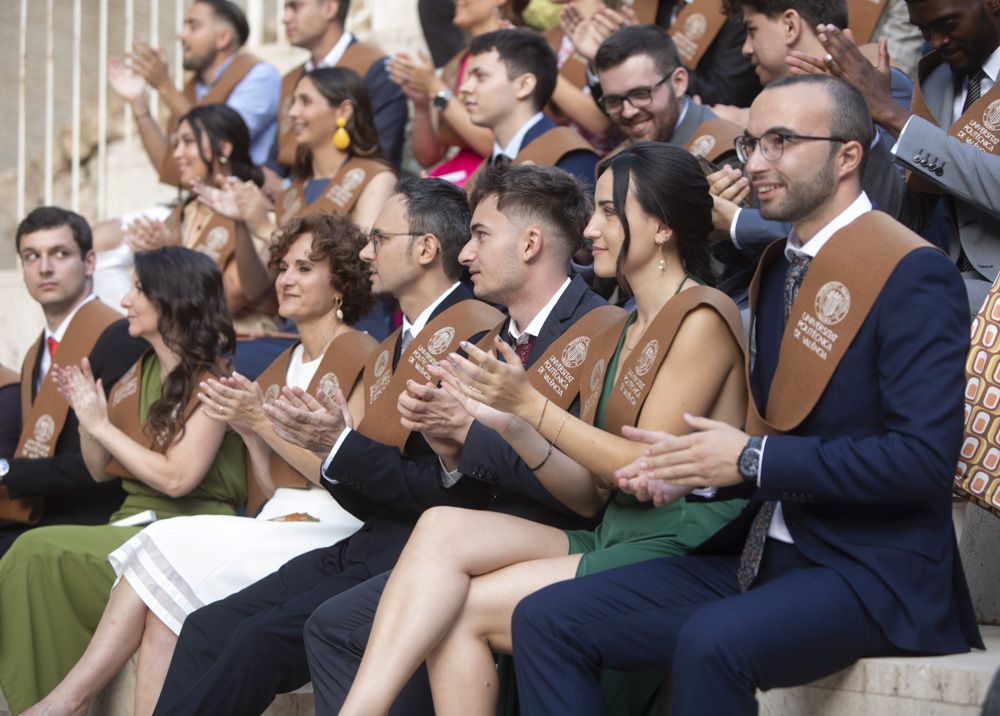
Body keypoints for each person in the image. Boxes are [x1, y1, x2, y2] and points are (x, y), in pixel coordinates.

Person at [509, 75, 983, 716]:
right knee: (544, 619)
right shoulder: (777, 266)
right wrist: (693, 474)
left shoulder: (913, 270)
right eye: (752, 144)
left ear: (848, 155)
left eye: (781, 143)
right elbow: (774, 437)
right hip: (763, 555)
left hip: (871, 572)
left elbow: (920, 461)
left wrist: (750, 461)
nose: (755, 162)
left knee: (711, 644)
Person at [322, 144, 747, 716]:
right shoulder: (624, 329)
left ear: (664, 227)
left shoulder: (702, 314)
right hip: (614, 532)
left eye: (610, 212)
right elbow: (590, 491)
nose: (591, 228)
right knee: (443, 527)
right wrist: (508, 423)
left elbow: (643, 470)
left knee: (462, 611)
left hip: (675, 544)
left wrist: (529, 408)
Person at [148, 178, 504, 716]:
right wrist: (332, 447)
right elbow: (372, 485)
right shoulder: (394, 346)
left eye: (379, 238)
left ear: (426, 249)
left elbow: (448, 494)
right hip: (370, 538)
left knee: (257, 641)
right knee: (206, 626)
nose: (366, 253)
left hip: (418, 553)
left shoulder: (474, 337)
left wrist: (336, 445)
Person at [21, 214, 376, 716]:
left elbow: (354, 475)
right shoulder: (285, 362)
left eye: (304, 268)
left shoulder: (360, 352)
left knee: (158, 543)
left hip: (332, 526)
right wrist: (252, 433)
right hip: (281, 518)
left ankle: (68, 700)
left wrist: (260, 422)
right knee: (166, 612)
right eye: (283, 267)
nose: (285, 279)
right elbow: (272, 487)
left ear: (339, 283)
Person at [0, 247, 247, 715]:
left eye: (137, 289)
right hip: (131, 521)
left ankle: (58, 703)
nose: (127, 300)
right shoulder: (139, 370)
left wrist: (101, 427)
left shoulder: (215, 380)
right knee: (30, 557)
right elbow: (99, 469)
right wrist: (87, 417)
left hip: (187, 532)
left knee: (35, 552)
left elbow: (177, 479)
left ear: (170, 298)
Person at [803, 0, 1000, 313]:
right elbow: (908, 217)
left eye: (947, 25)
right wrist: (866, 124)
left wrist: (894, 116)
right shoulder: (938, 80)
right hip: (945, 274)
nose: (936, 42)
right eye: (924, 30)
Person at [0, 207, 147, 557]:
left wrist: (8, 473)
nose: (45, 268)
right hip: (45, 512)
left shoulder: (121, 337)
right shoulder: (37, 350)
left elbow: (116, 457)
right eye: (31, 256)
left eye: (60, 254)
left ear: (91, 261)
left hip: (96, 516)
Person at [95, 104, 283, 377]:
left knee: (120, 345)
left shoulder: (254, 207)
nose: (178, 153)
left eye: (188, 142)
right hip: (181, 340)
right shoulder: (186, 210)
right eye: (176, 144)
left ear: (224, 148)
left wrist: (169, 255)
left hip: (240, 342)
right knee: (114, 340)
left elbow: (233, 296)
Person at [109, 0, 280, 181]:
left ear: (223, 38)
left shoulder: (260, 76)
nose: (181, 35)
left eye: (193, 27)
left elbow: (218, 141)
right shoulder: (192, 90)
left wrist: (164, 85)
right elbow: (166, 167)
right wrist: (138, 102)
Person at [460, 29, 600, 191]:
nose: (465, 87)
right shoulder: (490, 165)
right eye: (468, 76)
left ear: (524, 85)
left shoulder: (569, 158)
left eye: (480, 76)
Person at [388, 0, 509, 186]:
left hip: (495, 179)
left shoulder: (516, 54)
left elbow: (498, 144)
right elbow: (428, 157)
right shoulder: (456, 63)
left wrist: (435, 88)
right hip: (454, 174)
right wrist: (421, 104)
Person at [276, 0, 406, 171]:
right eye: (285, 8)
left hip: (356, 189)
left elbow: (383, 154)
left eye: (295, 6)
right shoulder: (290, 80)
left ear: (330, 8)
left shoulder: (376, 70)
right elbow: (276, 154)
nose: (285, 18)